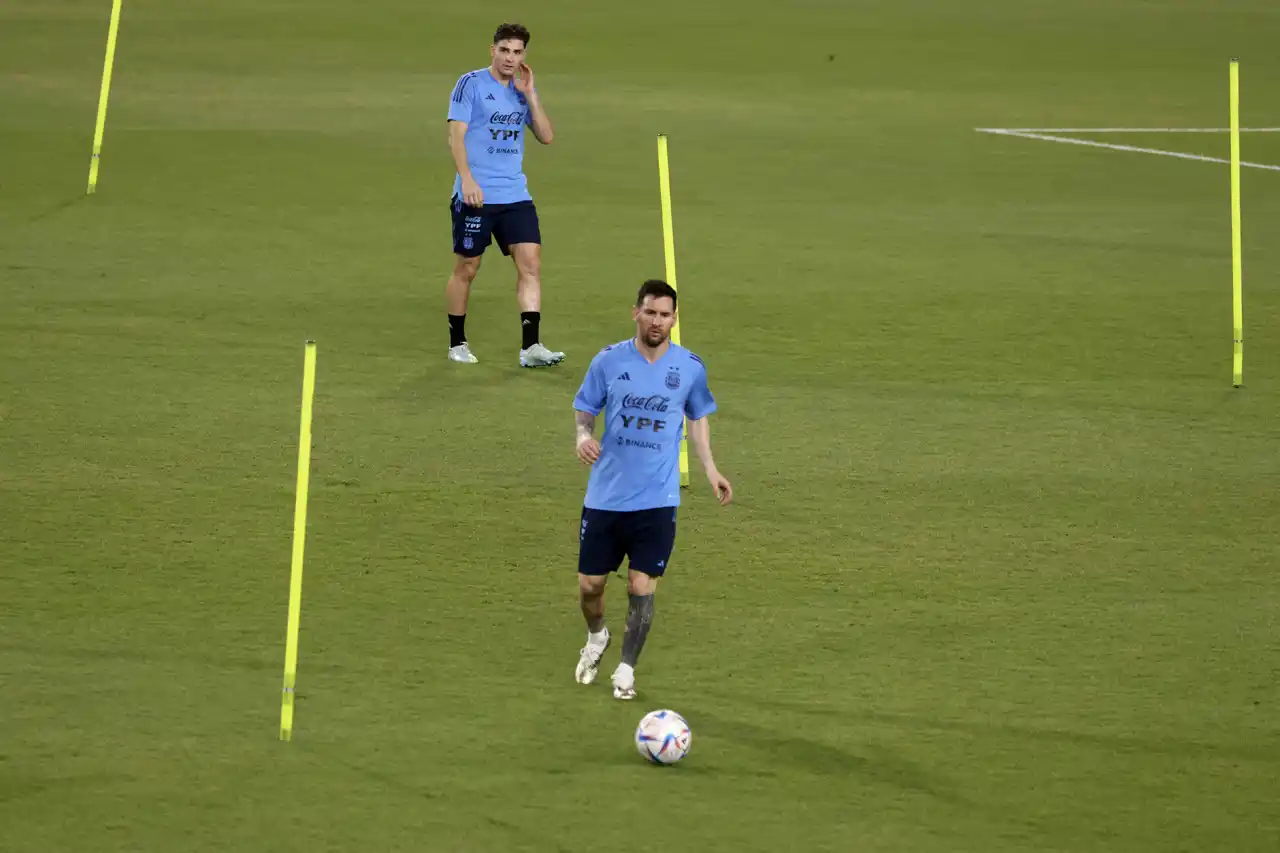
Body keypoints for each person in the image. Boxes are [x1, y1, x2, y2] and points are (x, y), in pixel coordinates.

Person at [570, 279, 733, 699]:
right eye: (650, 312)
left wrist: (710, 468)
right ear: (635, 313)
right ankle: (596, 636)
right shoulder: (608, 361)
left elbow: (698, 417)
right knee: (590, 586)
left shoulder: (690, 367)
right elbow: (586, 406)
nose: (657, 321)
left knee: (640, 587)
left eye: (665, 314)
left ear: (674, 319)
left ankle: (626, 669)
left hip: (657, 500)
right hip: (606, 496)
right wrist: (582, 436)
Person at [444, 22, 564, 368]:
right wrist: (466, 179)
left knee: (531, 264)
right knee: (467, 266)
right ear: (492, 50)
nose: (510, 58)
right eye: (505, 50)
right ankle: (457, 343)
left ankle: (531, 347)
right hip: (476, 194)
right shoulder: (471, 84)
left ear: (524, 55)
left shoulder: (521, 89)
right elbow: (456, 135)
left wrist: (531, 94)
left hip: (515, 193)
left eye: (517, 52)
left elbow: (546, 136)